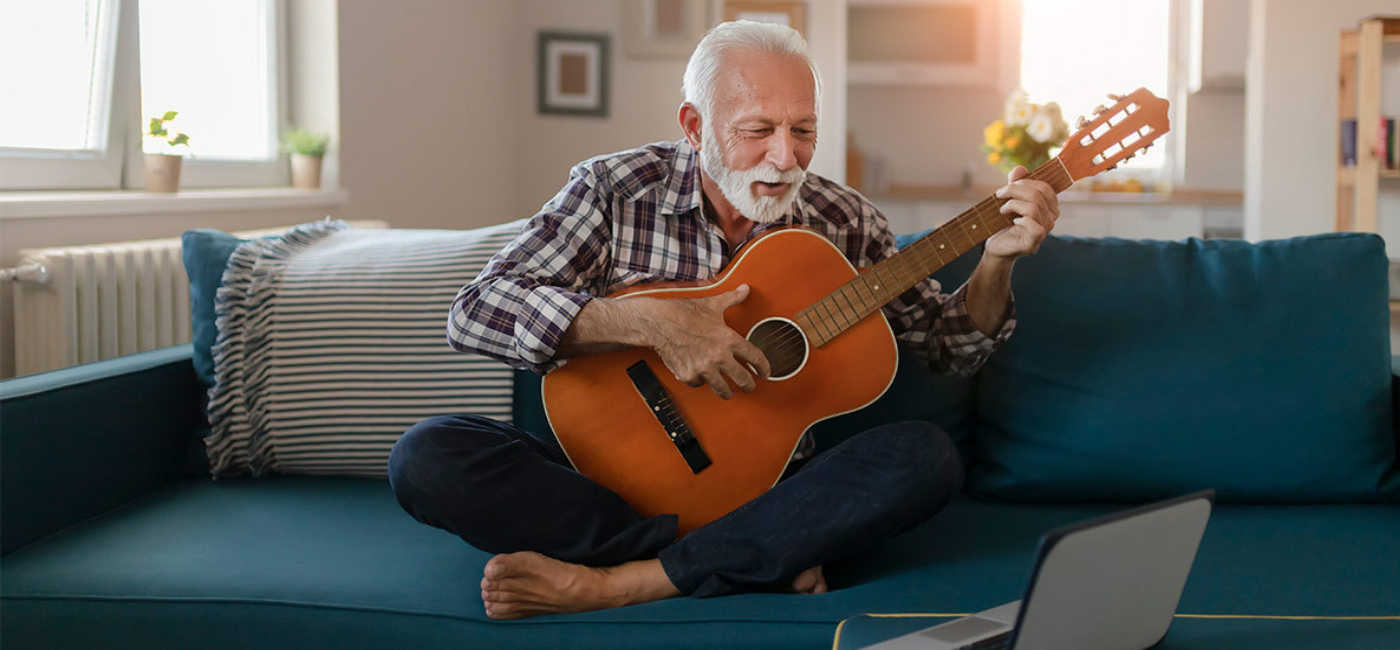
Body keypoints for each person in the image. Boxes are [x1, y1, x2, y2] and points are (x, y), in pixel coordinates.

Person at [388, 20, 1059, 620]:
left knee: (926, 458)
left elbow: (952, 349)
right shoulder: (614, 189)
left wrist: (997, 262)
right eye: (757, 131)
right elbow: (477, 311)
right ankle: (738, 561)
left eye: (803, 131)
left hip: (764, 493)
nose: (785, 157)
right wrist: (651, 324)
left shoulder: (845, 221)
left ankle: (622, 583)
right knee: (427, 455)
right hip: (592, 489)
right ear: (694, 126)